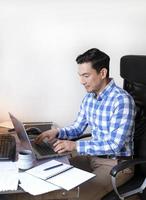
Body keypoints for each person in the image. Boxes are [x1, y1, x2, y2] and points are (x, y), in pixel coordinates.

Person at [35, 48, 136, 200]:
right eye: (80, 76)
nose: (81, 81)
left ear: (102, 73)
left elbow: (115, 145)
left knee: (68, 195)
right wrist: (57, 132)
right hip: (92, 156)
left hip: (116, 165)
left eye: (86, 76)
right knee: (46, 172)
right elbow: (78, 127)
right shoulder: (90, 97)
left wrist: (75, 146)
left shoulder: (122, 101)